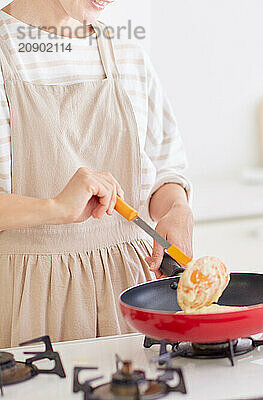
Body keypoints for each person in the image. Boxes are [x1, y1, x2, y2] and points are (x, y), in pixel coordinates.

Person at [0, 0, 193, 348]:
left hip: (132, 294)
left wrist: (176, 208)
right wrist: (55, 207)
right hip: (26, 299)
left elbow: (165, 168)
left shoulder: (128, 55)